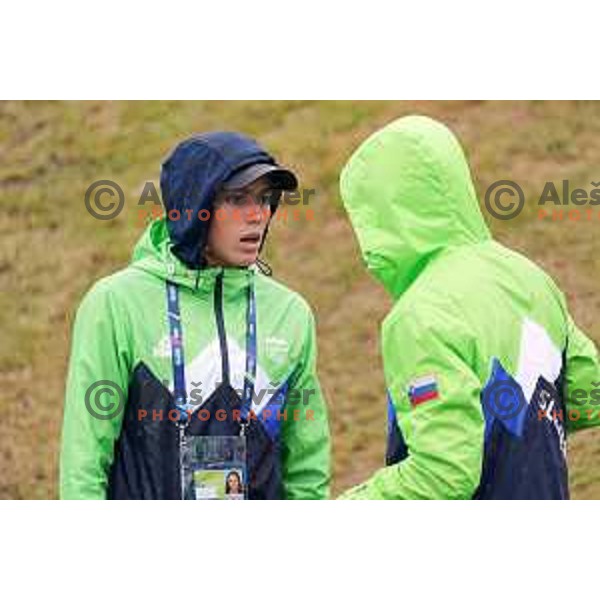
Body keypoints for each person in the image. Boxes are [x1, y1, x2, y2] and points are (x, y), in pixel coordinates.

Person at [338, 115, 600, 499]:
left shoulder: (419, 315)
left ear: (376, 216)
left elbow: (443, 475)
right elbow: (588, 395)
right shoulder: (527, 274)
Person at [60, 131, 330, 499]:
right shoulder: (115, 304)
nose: (258, 215)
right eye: (237, 199)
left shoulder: (290, 313)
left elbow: (307, 468)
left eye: (266, 199)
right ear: (193, 208)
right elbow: (84, 464)